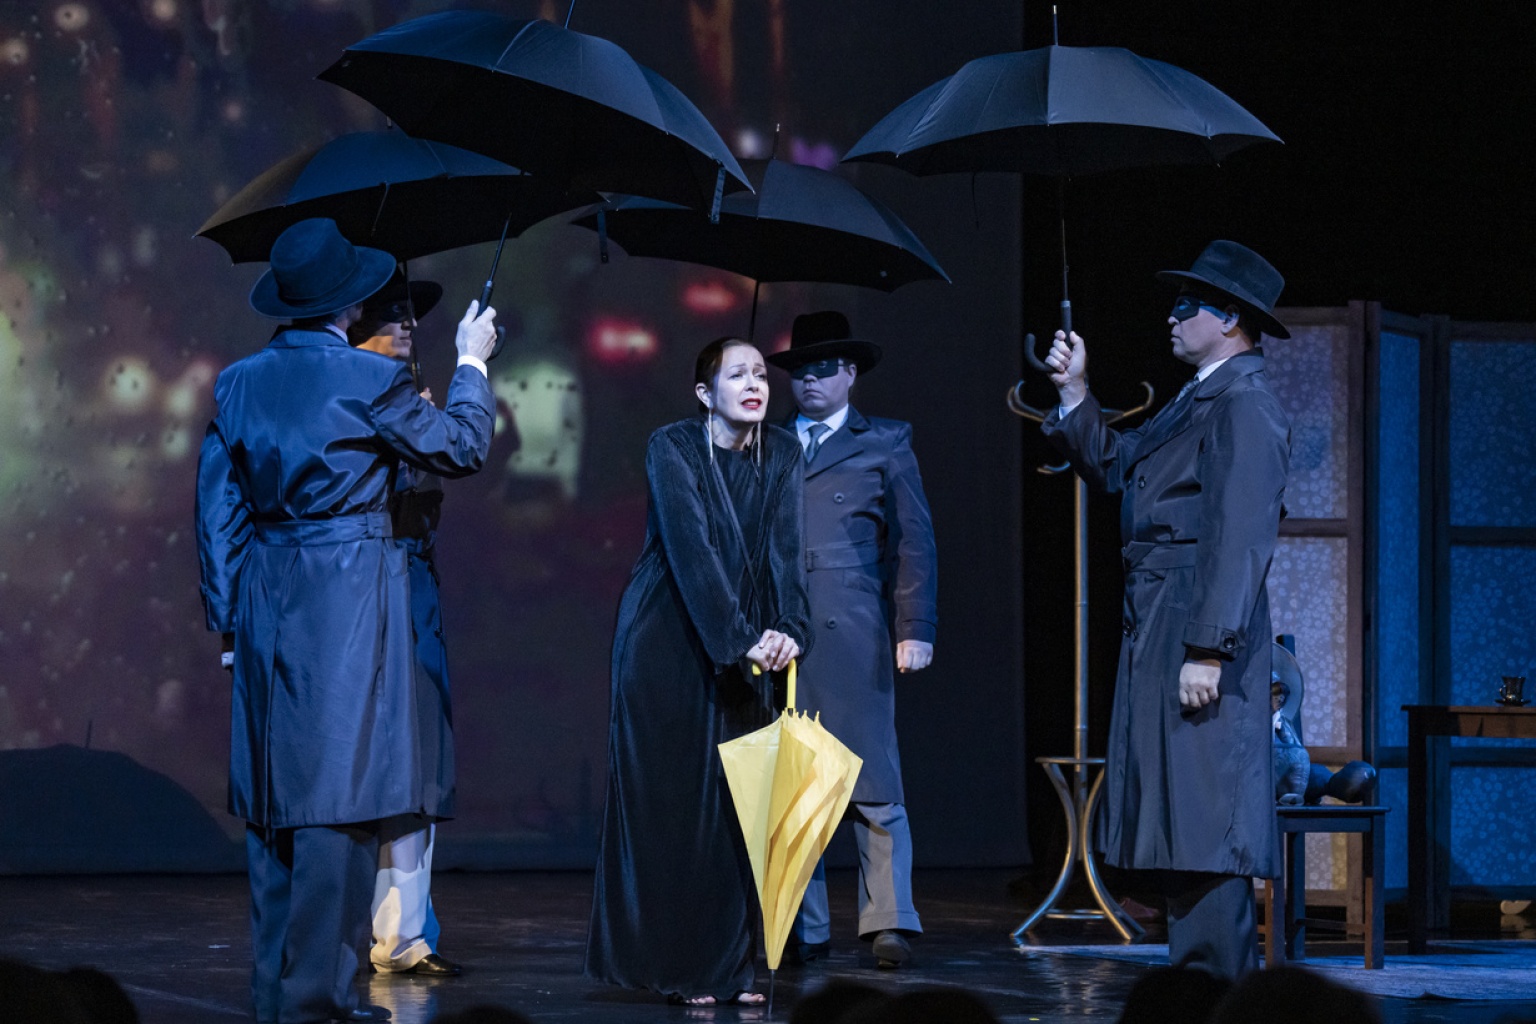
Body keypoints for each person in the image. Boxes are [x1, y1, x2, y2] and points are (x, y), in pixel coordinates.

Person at [195, 218, 497, 1023]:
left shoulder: (239, 382)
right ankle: (313, 1006)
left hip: (268, 596)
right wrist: (472, 361)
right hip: (348, 594)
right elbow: (462, 447)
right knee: (340, 798)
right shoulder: (369, 379)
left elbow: (217, 510)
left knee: (276, 806)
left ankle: (279, 996)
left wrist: (229, 623)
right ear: (348, 303)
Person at [1041, 240, 1292, 980]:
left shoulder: (1245, 404)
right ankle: (1202, 987)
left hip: (1196, 622)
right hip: (1160, 619)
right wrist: (1075, 392)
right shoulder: (1199, 395)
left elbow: (1240, 535)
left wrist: (1208, 648)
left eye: (1189, 304)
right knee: (1182, 818)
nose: (1173, 316)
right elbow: (1117, 466)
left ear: (1231, 317)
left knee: (1207, 819)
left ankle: (1219, 993)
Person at [585, 337, 812, 1006]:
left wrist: (789, 632)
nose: (755, 384)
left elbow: (786, 552)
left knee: (741, 807)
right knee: (678, 808)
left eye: (761, 373)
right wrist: (740, 640)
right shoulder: (673, 447)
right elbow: (692, 552)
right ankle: (681, 967)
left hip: (748, 644)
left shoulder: (783, 452)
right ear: (704, 393)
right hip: (668, 640)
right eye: (737, 375)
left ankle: (728, 966)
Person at [765, 311, 938, 970]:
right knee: (793, 782)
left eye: (822, 369)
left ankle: (888, 919)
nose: (809, 381)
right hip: (781, 627)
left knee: (872, 780)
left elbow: (915, 541)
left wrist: (915, 627)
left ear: (850, 373)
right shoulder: (768, 443)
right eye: (799, 371)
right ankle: (801, 925)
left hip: (855, 624)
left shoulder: (885, 441)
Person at [346, 275, 463, 978]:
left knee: (420, 760)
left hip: (412, 588)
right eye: (392, 314)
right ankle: (360, 927)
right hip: (360, 595)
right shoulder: (345, 394)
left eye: (412, 316)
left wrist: (425, 433)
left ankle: (405, 933)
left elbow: (431, 497)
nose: (408, 325)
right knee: (361, 760)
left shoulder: (412, 401)